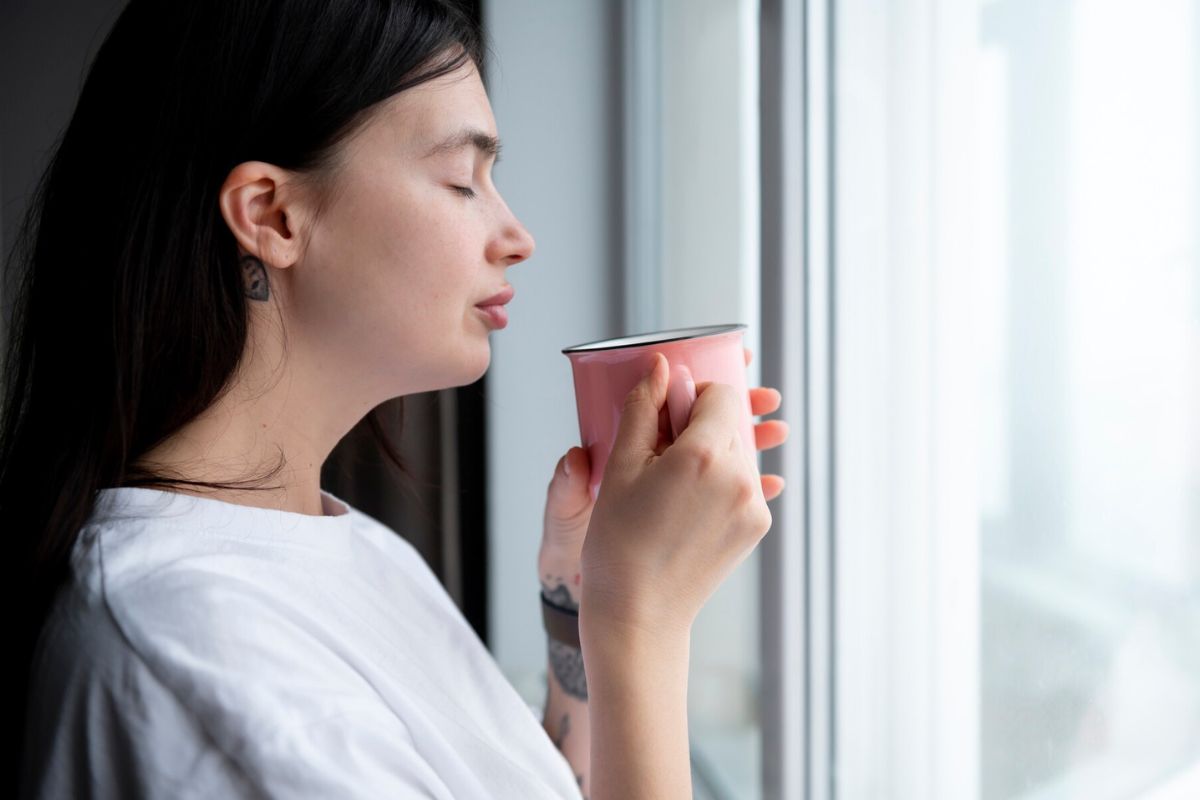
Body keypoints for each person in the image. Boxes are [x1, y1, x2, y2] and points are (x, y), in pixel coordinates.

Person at [2, 0, 789, 797]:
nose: (518, 237)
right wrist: (642, 620)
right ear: (272, 216)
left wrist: (579, 594)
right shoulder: (192, 650)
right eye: (462, 181)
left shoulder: (349, 551)